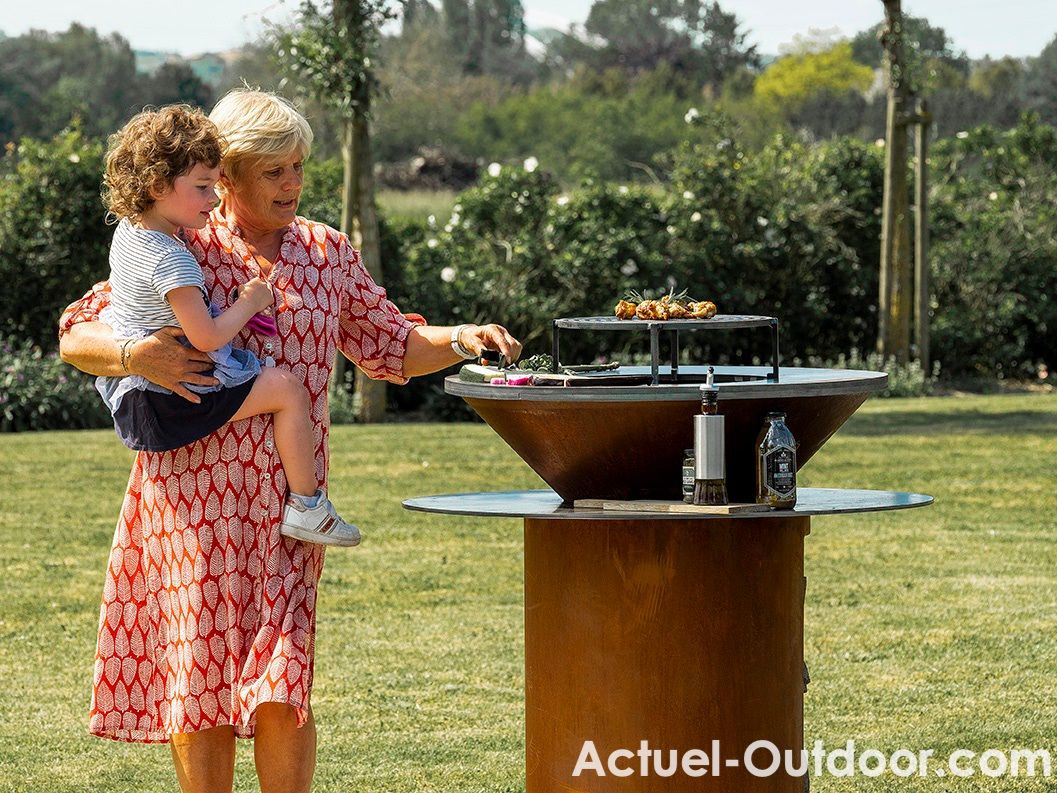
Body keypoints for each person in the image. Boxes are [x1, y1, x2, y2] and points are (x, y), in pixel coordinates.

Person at [58, 88, 522, 793]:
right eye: (274, 170)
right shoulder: (179, 238)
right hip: (191, 504)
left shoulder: (326, 251)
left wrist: (461, 338)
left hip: (290, 509)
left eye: (299, 167)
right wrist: (133, 355)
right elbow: (78, 331)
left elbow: (391, 344)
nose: (293, 183)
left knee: (283, 679)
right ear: (229, 172)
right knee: (202, 675)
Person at [97, 104, 359, 547]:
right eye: (203, 187)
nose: (213, 197)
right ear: (160, 186)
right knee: (286, 389)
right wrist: (248, 302)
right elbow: (206, 336)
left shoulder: (131, 234)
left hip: (136, 402)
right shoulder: (175, 255)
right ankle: (308, 506)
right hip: (168, 404)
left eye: (297, 167)